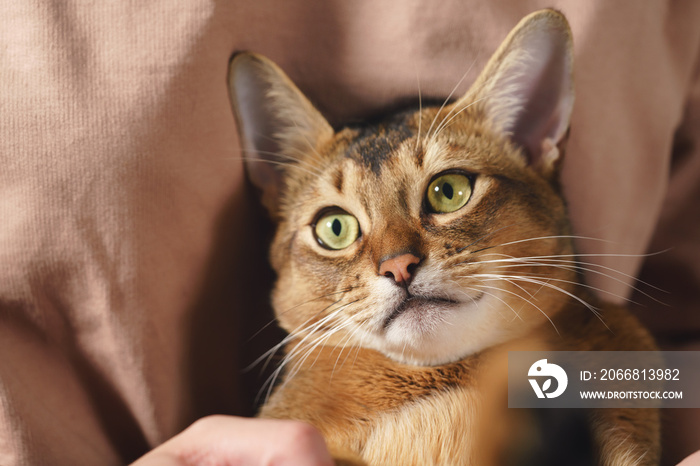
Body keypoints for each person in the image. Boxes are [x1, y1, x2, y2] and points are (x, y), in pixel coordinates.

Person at [1, 1, 698, 465]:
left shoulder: (599, 356)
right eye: (337, 227)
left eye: (446, 192)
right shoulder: (321, 394)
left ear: (534, 140)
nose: (396, 259)